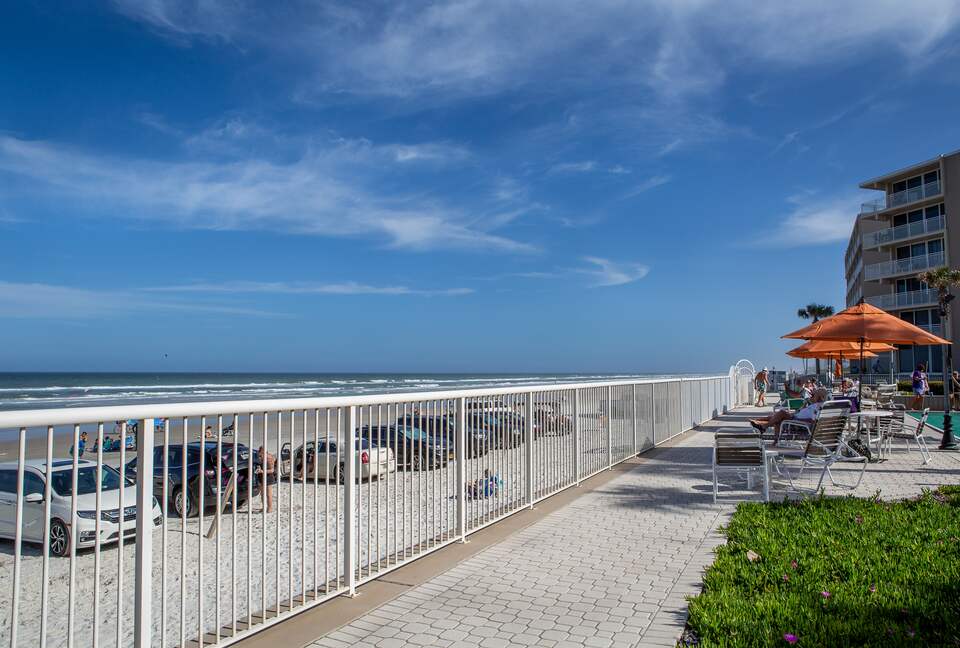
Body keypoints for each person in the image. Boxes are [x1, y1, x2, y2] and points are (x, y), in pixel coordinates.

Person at [749, 388, 828, 441]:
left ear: (819, 397)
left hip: (799, 423)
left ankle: (763, 426)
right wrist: (805, 405)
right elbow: (802, 411)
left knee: (781, 413)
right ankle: (758, 422)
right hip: (796, 418)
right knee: (776, 417)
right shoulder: (815, 404)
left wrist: (797, 418)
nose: (812, 396)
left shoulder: (818, 407)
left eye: (814, 395)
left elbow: (812, 421)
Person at [256, 446, 276, 513]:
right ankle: (264, 507)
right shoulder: (260, 457)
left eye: (261, 452)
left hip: (268, 477)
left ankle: (270, 508)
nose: (259, 453)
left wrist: (263, 471)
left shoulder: (269, 458)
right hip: (261, 476)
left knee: (268, 494)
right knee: (262, 494)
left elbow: (272, 470)